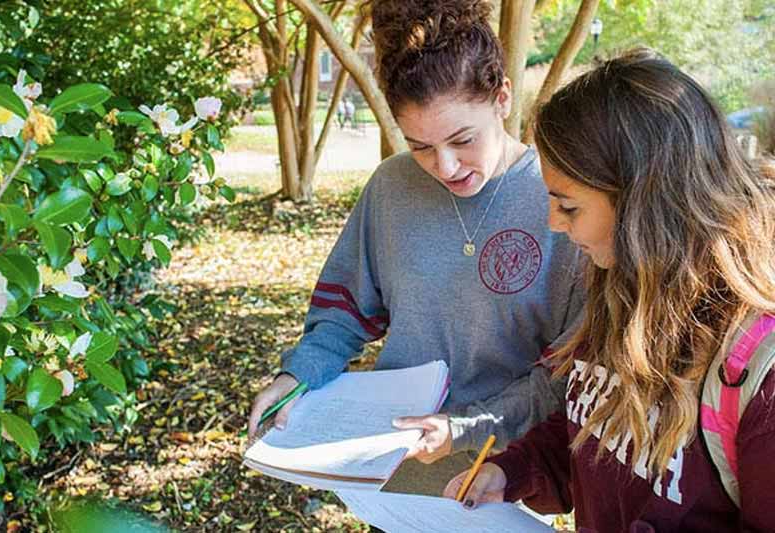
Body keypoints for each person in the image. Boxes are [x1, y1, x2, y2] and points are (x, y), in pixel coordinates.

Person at [247, 0, 583, 496]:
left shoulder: (561, 201)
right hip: (392, 466)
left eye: (462, 139)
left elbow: (568, 371)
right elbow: (344, 314)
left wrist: (466, 428)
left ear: (503, 98)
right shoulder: (390, 188)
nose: (445, 167)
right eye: (420, 146)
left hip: (506, 475)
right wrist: (298, 375)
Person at [444, 48, 775, 531]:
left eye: (569, 207)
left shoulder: (757, 372)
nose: (554, 224)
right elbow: (593, 429)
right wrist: (511, 471)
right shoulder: (620, 289)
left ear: (645, 205)